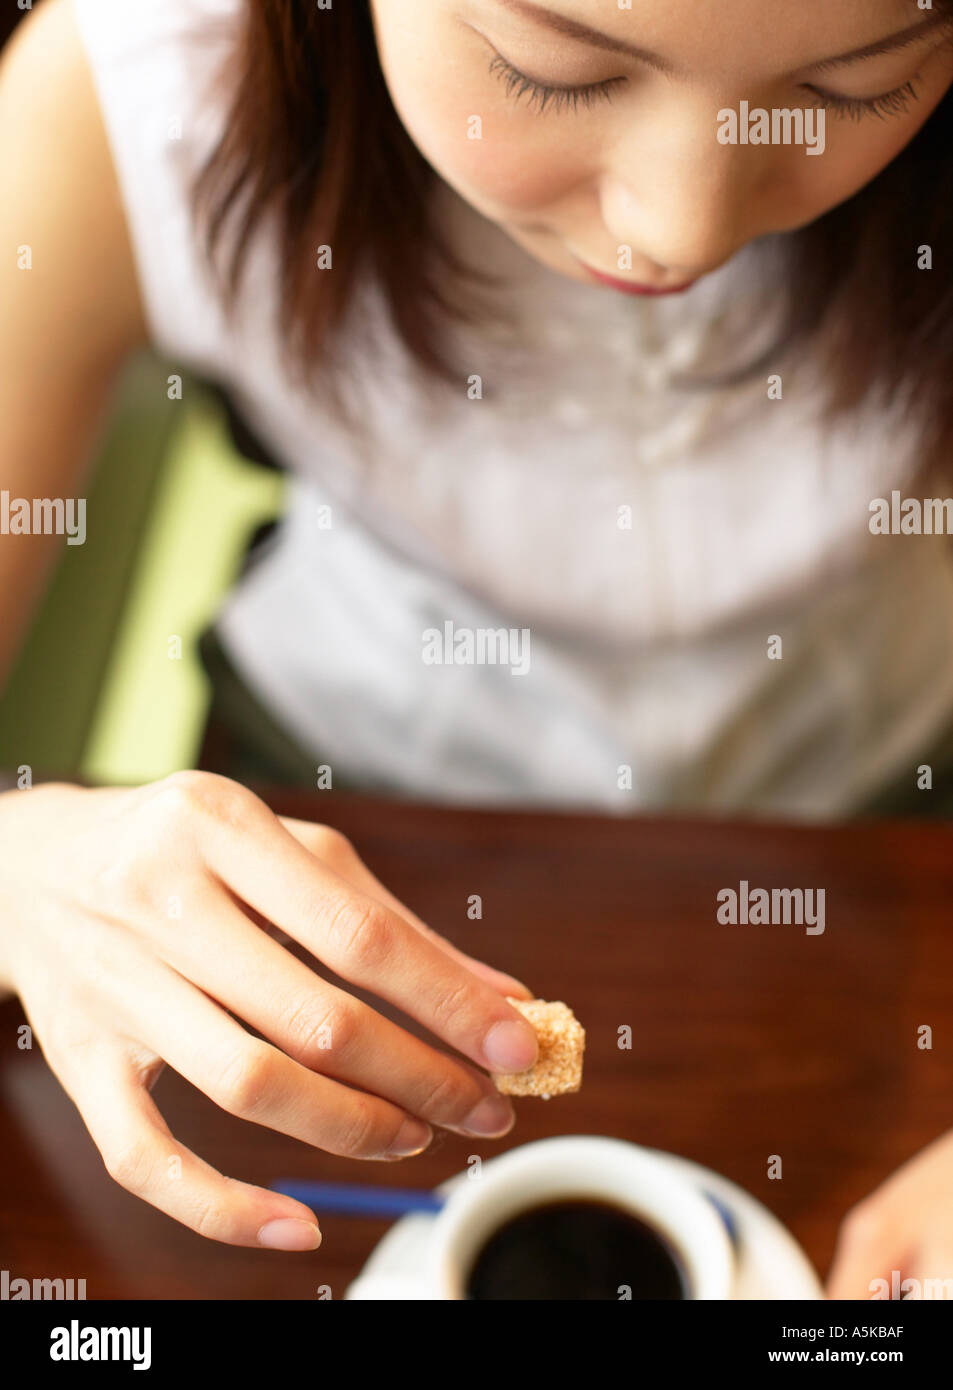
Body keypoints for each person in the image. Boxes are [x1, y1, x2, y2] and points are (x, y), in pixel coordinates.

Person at [1, 0, 952, 1294]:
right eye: (552, 71)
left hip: (880, 804)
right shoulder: (120, 89)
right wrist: (26, 852)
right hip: (346, 795)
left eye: (851, 88)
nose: (675, 226)